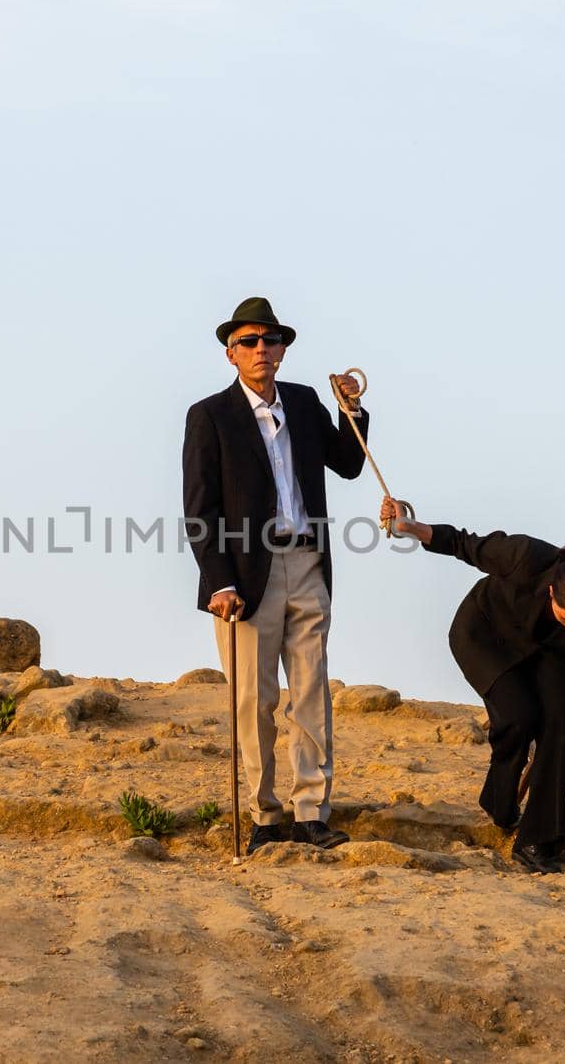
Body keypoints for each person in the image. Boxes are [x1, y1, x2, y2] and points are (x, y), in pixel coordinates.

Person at [182, 296, 369, 853]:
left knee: (312, 691)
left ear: (284, 349)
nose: (262, 349)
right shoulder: (209, 415)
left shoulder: (308, 403)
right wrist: (219, 581)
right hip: (243, 576)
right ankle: (265, 816)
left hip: (308, 562)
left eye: (271, 340)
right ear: (230, 354)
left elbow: (351, 462)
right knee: (253, 699)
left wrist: (352, 411)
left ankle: (311, 811)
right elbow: (199, 507)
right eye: (249, 342)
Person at [381, 497, 565, 874]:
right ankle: (499, 801)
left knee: (557, 727)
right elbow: (463, 543)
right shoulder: (523, 556)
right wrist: (409, 527)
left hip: (547, 653)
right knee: (518, 716)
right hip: (485, 632)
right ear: (552, 593)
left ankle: (538, 842)